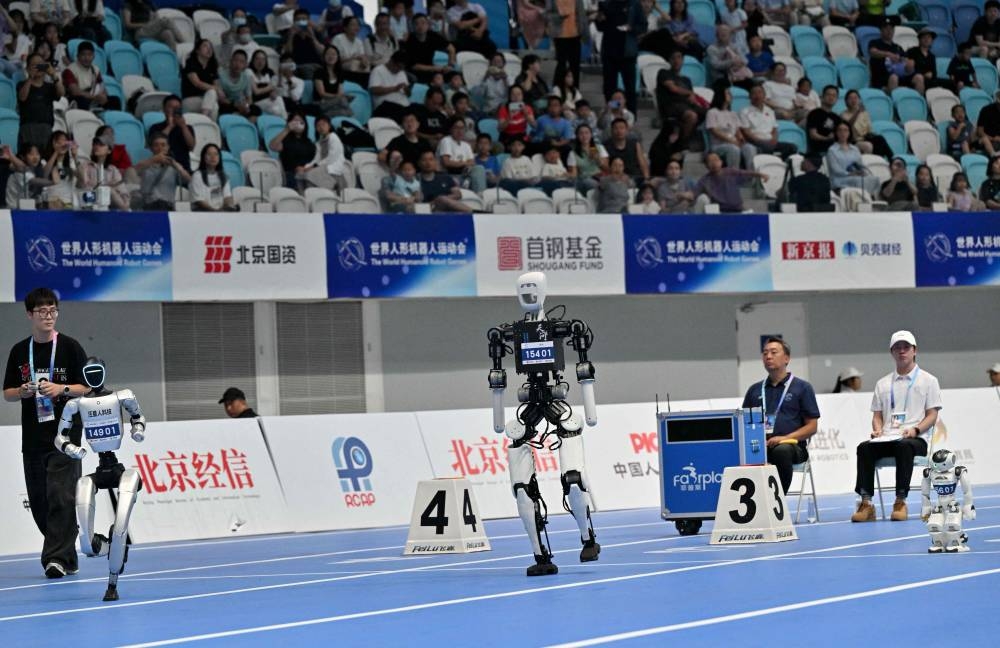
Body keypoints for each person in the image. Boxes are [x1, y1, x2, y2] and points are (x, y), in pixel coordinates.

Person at [3, 287, 89, 578]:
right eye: (42, 311)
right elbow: (7, 393)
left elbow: (87, 387)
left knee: (61, 497)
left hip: (65, 437)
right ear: (30, 314)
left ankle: (55, 559)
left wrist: (61, 389)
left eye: (53, 310)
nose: (48, 316)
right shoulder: (19, 351)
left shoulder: (70, 347)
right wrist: (23, 391)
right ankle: (66, 553)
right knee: (41, 502)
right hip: (33, 439)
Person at [851, 330, 942, 523]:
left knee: (904, 446)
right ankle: (866, 503)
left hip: (915, 439)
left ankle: (900, 501)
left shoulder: (929, 380)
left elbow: (932, 415)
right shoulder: (882, 383)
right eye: (897, 348)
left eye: (906, 347)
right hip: (887, 437)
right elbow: (877, 415)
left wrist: (916, 430)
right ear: (891, 352)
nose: (902, 351)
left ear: (914, 350)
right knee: (864, 447)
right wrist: (877, 430)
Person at [741, 336, 820, 494]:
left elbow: (812, 427)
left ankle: (776, 502)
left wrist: (784, 438)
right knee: (737, 452)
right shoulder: (754, 390)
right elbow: (744, 424)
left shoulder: (802, 388)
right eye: (765, 353)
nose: (768, 356)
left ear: (786, 358)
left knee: (781, 451)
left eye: (773, 352)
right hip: (760, 447)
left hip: (792, 446)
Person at [596, 0, 645, 115]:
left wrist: (631, 28)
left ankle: (631, 116)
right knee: (609, 88)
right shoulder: (606, 4)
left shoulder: (634, 5)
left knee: (630, 89)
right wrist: (599, 20)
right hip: (609, 52)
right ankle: (612, 113)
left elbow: (643, 26)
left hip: (628, 53)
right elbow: (600, 27)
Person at [694, 150, 769, 212]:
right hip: (720, 212)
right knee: (703, 198)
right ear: (706, 166)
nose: (714, 163)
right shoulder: (704, 180)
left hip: (738, 210)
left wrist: (761, 174)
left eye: (716, 160)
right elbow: (694, 193)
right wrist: (684, 195)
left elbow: (747, 173)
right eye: (710, 161)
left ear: (721, 162)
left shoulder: (731, 172)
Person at [17, 53, 64, 152]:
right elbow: (22, 97)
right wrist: (30, 78)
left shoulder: (50, 86)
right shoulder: (22, 84)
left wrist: (53, 75)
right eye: (34, 65)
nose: (38, 68)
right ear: (28, 68)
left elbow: (61, 93)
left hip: (46, 127)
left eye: (40, 65)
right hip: (28, 127)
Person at [740, 83, 797, 161]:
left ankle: (780, 163)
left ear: (764, 95)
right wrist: (759, 140)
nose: (757, 95)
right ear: (750, 96)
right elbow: (746, 132)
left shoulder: (769, 111)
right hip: (756, 141)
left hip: (770, 141)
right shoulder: (744, 111)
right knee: (767, 147)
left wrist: (774, 139)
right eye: (754, 93)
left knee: (792, 147)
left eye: (760, 92)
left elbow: (774, 129)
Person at [134, 133, 191, 210]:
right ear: (151, 148)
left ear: (168, 147)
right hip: (147, 206)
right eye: (156, 145)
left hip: (167, 206)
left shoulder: (173, 167)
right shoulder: (145, 164)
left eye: (163, 145)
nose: (160, 148)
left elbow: (189, 180)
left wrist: (176, 165)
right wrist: (153, 160)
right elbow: (132, 172)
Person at [148, 95, 195, 172]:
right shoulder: (155, 127)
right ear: (164, 109)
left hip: (183, 168)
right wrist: (170, 126)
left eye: (177, 108)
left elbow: (191, 146)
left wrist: (183, 127)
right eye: (171, 107)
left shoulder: (188, 128)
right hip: (161, 168)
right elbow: (155, 144)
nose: (174, 110)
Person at [546, 0, 587, 88]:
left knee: (575, 65)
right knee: (561, 64)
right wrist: (559, 16)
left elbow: (582, 15)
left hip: (575, 35)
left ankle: (575, 91)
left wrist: (584, 32)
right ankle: (557, 90)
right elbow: (547, 15)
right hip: (560, 36)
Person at [61, 41, 109, 112]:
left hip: (92, 97)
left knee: (114, 100)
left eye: (89, 55)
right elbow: (75, 92)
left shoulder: (96, 69)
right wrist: (94, 97)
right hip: (77, 99)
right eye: (83, 55)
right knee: (81, 100)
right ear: (77, 56)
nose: (86, 58)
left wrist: (104, 96)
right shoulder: (70, 70)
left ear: (93, 56)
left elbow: (102, 86)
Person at [189, 144, 236, 211]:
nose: (213, 157)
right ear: (203, 157)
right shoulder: (197, 176)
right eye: (209, 154)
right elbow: (199, 201)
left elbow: (227, 197)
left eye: (216, 154)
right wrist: (215, 211)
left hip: (221, 213)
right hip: (203, 213)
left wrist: (227, 206)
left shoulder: (223, 176)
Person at [868, 18, 907, 92]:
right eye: (886, 28)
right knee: (894, 77)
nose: (889, 31)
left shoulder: (897, 47)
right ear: (881, 30)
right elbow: (872, 52)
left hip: (898, 76)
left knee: (917, 77)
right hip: (880, 79)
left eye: (891, 29)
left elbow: (905, 59)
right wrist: (888, 54)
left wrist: (900, 59)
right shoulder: (875, 43)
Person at [805, 85, 843, 156]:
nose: (831, 97)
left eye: (834, 95)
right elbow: (813, 134)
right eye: (828, 94)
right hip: (819, 151)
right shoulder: (814, 113)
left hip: (835, 151)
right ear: (822, 97)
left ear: (837, 99)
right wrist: (826, 138)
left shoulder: (837, 118)